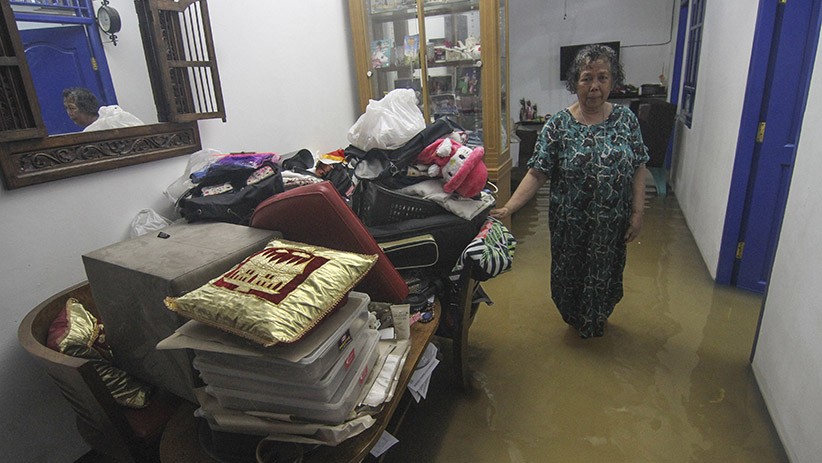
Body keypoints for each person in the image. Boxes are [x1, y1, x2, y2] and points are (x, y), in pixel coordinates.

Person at [491, 44, 649, 338]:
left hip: (611, 226)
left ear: (612, 81)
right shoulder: (558, 125)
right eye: (586, 78)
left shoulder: (626, 121)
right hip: (570, 227)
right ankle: (578, 325)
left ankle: (595, 326)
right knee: (569, 281)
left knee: (606, 279)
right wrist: (508, 208)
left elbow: (639, 165)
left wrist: (638, 213)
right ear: (574, 82)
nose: (594, 86)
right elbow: (537, 173)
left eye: (602, 78)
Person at [62, 87, 144, 132]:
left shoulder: (117, 118)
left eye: (71, 108)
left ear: (85, 106)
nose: (69, 113)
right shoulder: (89, 131)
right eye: (67, 108)